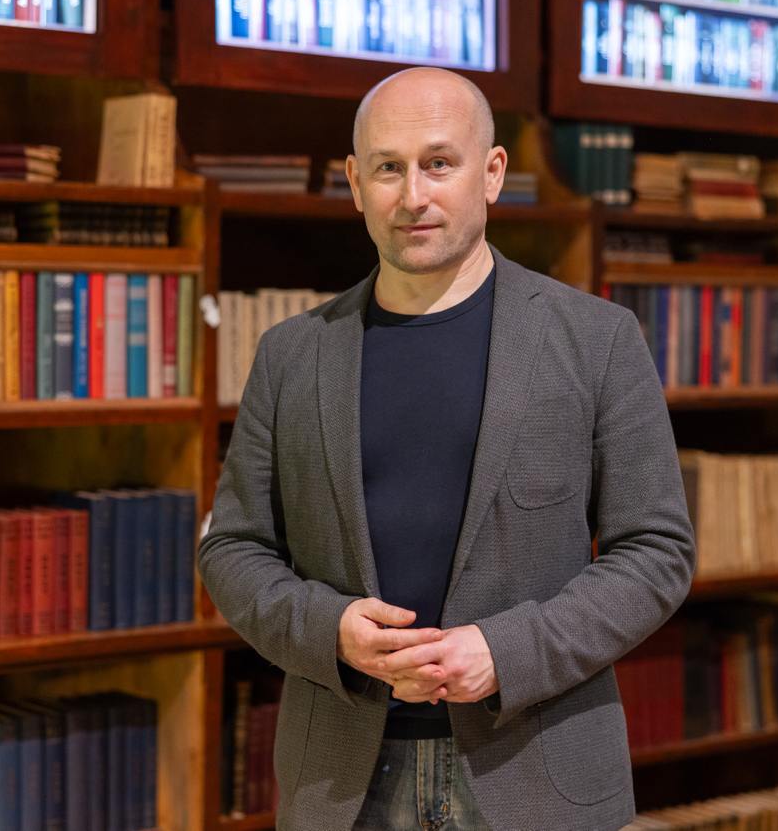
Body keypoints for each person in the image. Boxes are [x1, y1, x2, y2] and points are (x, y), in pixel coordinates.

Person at [198, 67, 695, 831]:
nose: (413, 195)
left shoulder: (598, 341)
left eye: (438, 163)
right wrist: (330, 630)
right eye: (387, 168)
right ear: (355, 182)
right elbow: (233, 549)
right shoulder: (291, 354)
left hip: (536, 771)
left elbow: (657, 552)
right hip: (341, 782)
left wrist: (508, 650)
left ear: (491, 173)